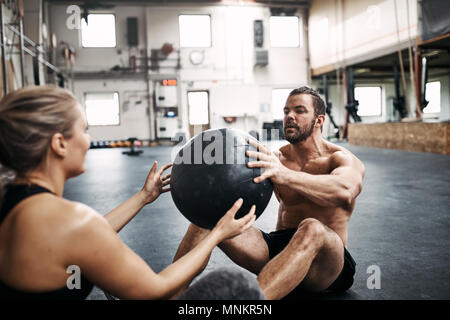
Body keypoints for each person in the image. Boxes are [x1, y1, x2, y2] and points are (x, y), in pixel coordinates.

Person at [0, 85, 257, 300]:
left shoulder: (15, 203)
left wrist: (143, 197)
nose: (88, 140)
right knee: (237, 286)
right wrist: (217, 235)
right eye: (84, 130)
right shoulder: (72, 220)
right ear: (59, 144)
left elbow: (87, 234)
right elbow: (155, 289)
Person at [173, 86, 365, 300]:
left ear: (319, 120)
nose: (290, 116)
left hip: (326, 264)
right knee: (208, 217)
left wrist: (284, 175)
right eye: (286, 111)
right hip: (277, 250)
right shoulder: (276, 159)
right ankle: (171, 292)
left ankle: (252, 303)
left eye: (299, 111)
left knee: (312, 227)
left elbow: (345, 191)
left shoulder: (339, 159)